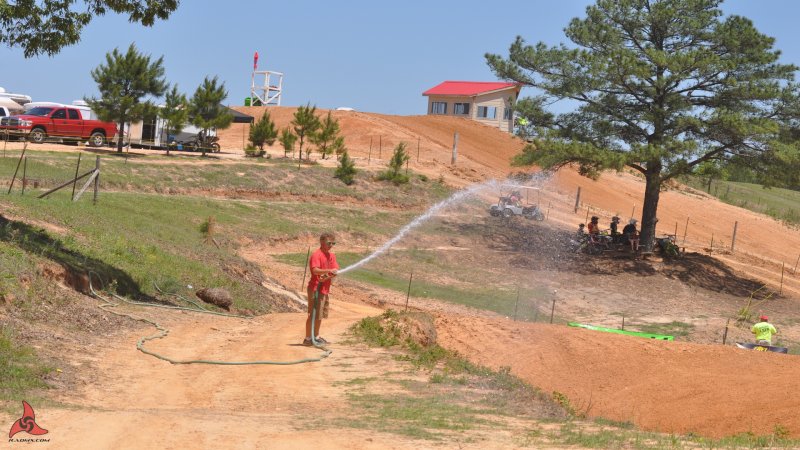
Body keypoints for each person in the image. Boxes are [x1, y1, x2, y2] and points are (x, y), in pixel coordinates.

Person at [304, 232, 339, 346]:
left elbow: (335, 269)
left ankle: (316, 337)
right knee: (312, 314)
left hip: (324, 289)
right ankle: (308, 338)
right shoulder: (316, 255)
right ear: (322, 242)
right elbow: (315, 270)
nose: (331, 245)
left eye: (333, 243)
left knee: (319, 315)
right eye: (329, 243)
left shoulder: (332, 256)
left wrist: (331, 273)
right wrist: (329, 271)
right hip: (315, 288)